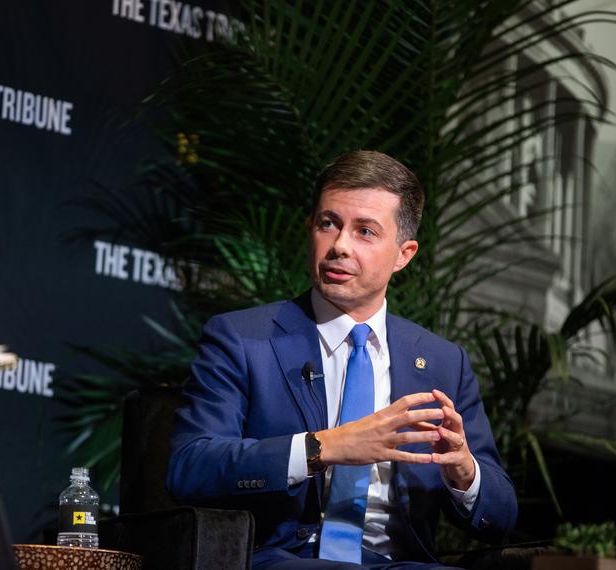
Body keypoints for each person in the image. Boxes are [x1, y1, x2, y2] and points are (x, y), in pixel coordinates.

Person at [167, 150, 517, 569]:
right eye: (328, 224)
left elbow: (501, 517)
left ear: (404, 254)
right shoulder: (243, 339)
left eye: (365, 231)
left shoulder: (443, 362)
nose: (339, 246)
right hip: (283, 560)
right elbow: (191, 468)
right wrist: (325, 447)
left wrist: (464, 471)